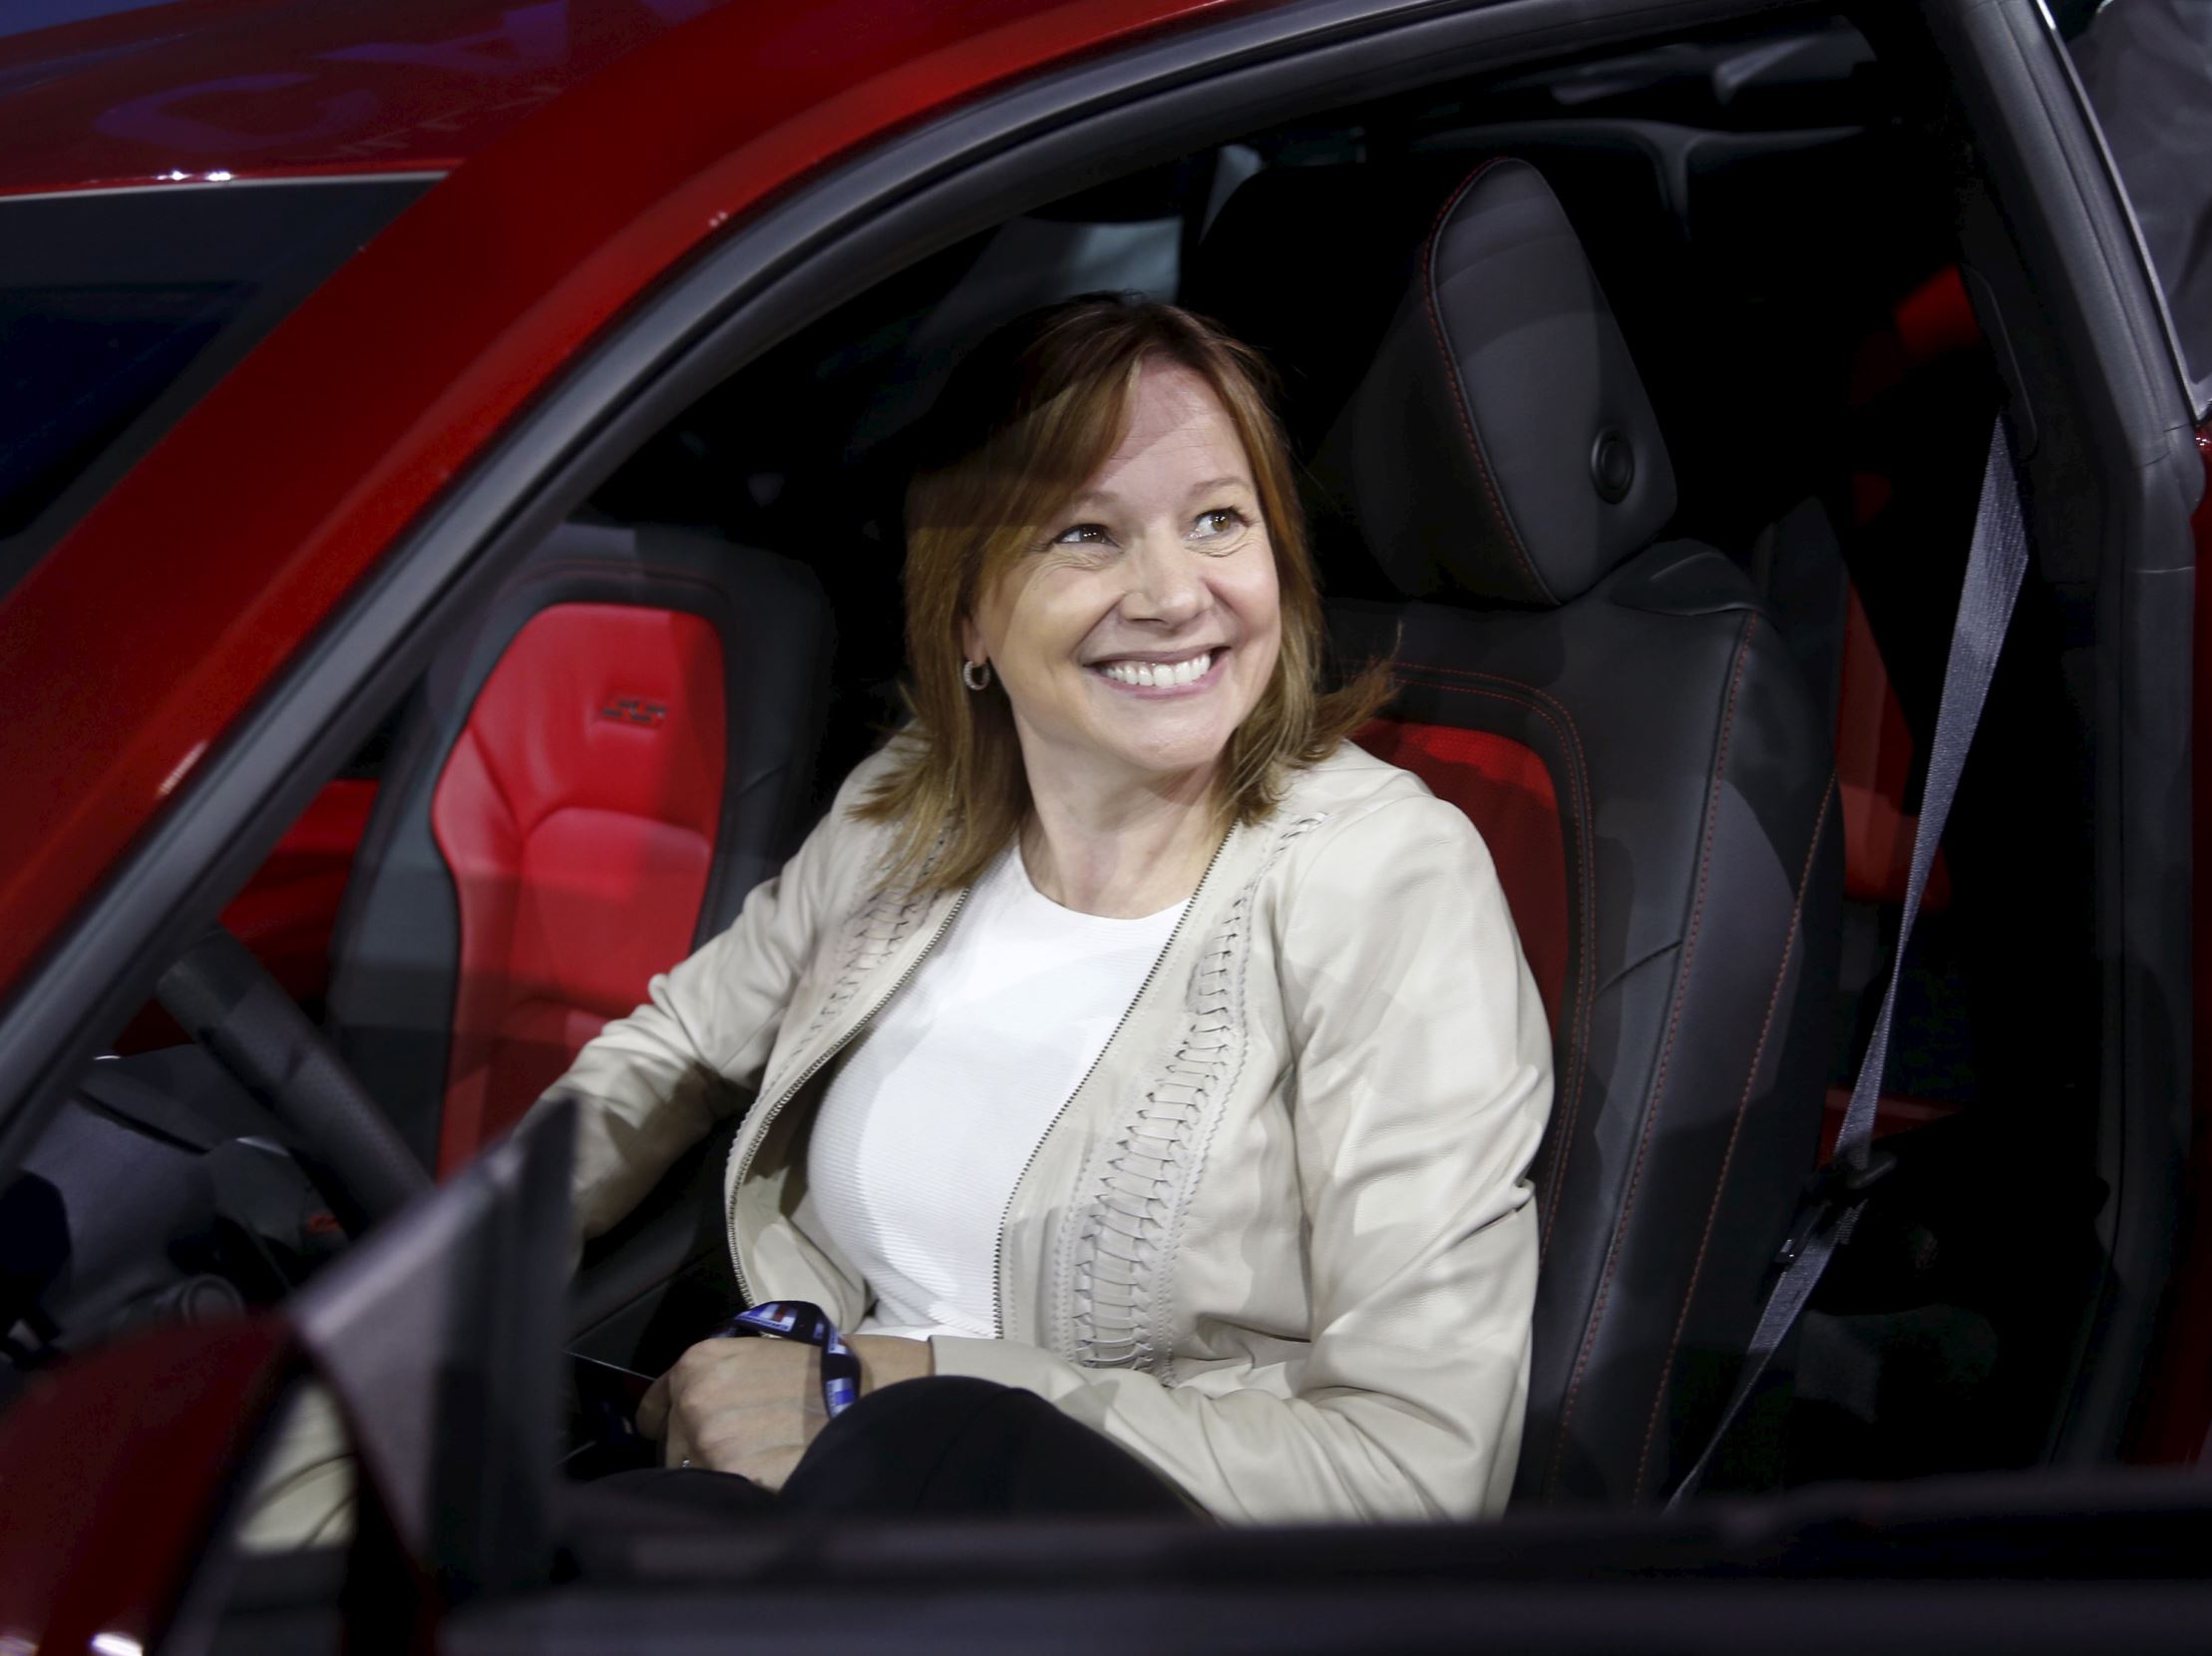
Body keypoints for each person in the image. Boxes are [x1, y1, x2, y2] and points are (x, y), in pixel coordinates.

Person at [551, 295, 1554, 1524]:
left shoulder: (1386, 878)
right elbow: (674, 1050)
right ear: (968, 611)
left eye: (1218, 522)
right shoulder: (904, 804)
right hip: (797, 1501)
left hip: (1101, 1582)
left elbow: (1416, 1473)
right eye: (1086, 533)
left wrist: (895, 1386)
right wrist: (466, 1264)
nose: (1175, 593)